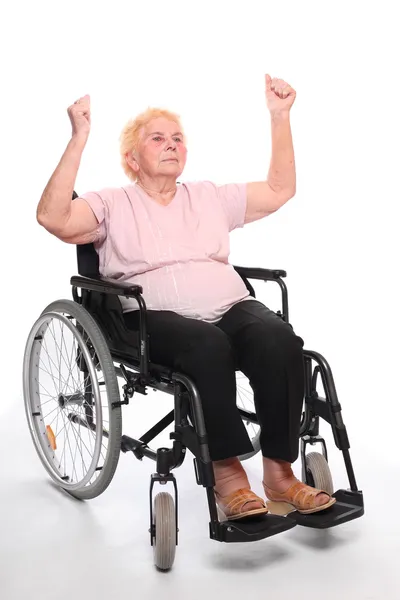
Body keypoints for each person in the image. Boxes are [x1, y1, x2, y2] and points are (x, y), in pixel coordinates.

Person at [37, 75, 336, 520]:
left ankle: (279, 473)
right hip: (152, 317)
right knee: (206, 346)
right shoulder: (111, 204)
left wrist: (280, 117)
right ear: (131, 159)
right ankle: (230, 478)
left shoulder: (209, 197)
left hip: (229, 306)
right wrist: (79, 138)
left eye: (177, 138)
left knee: (281, 341)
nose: (171, 143)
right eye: (157, 138)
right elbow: (53, 217)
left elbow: (278, 191)